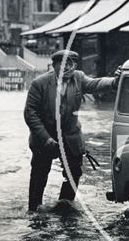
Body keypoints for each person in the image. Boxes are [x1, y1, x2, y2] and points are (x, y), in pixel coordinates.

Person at [24, 50, 121, 211]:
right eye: (62, 64)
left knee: (74, 172)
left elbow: (96, 84)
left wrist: (115, 82)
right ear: (54, 65)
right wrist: (46, 138)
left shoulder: (79, 78)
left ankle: (64, 205)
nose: (67, 68)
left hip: (70, 135)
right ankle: (34, 209)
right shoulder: (39, 83)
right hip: (44, 137)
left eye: (71, 64)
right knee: (39, 173)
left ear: (75, 66)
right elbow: (30, 113)